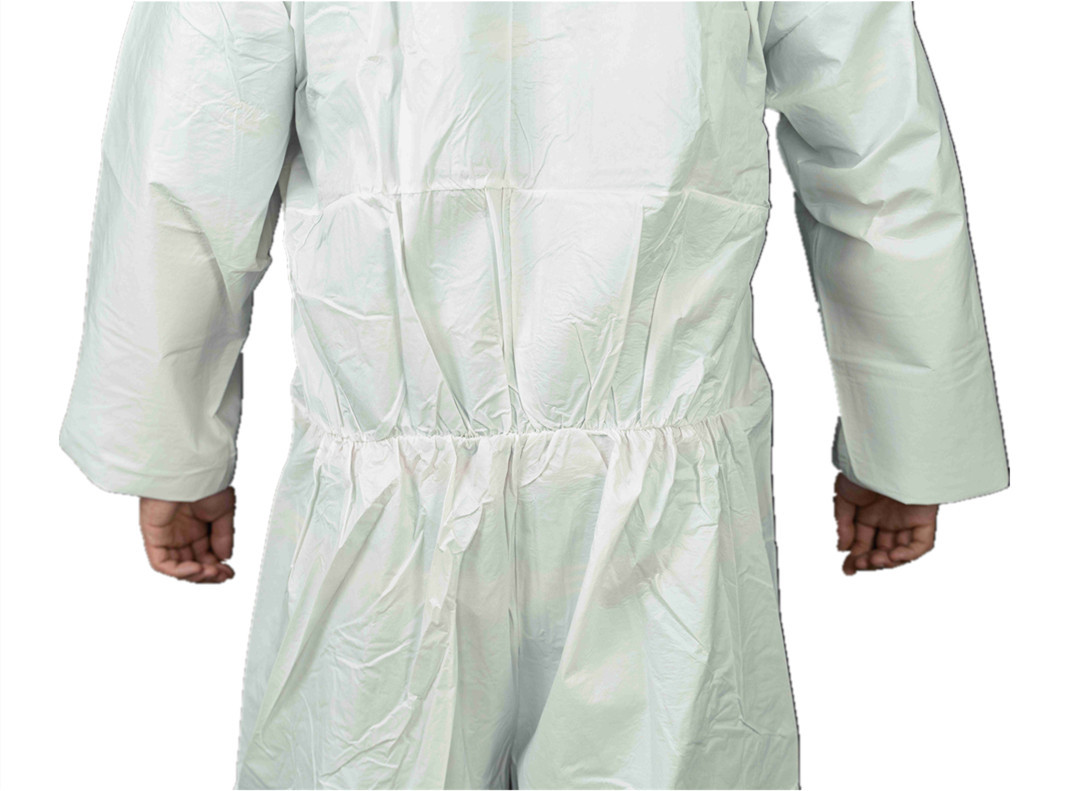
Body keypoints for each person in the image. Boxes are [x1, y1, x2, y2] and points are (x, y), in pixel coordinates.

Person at [59, 2, 1009, 789]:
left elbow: (180, 176)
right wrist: (908, 445)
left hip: (384, 507)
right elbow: (880, 166)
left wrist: (170, 451)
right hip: (666, 509)